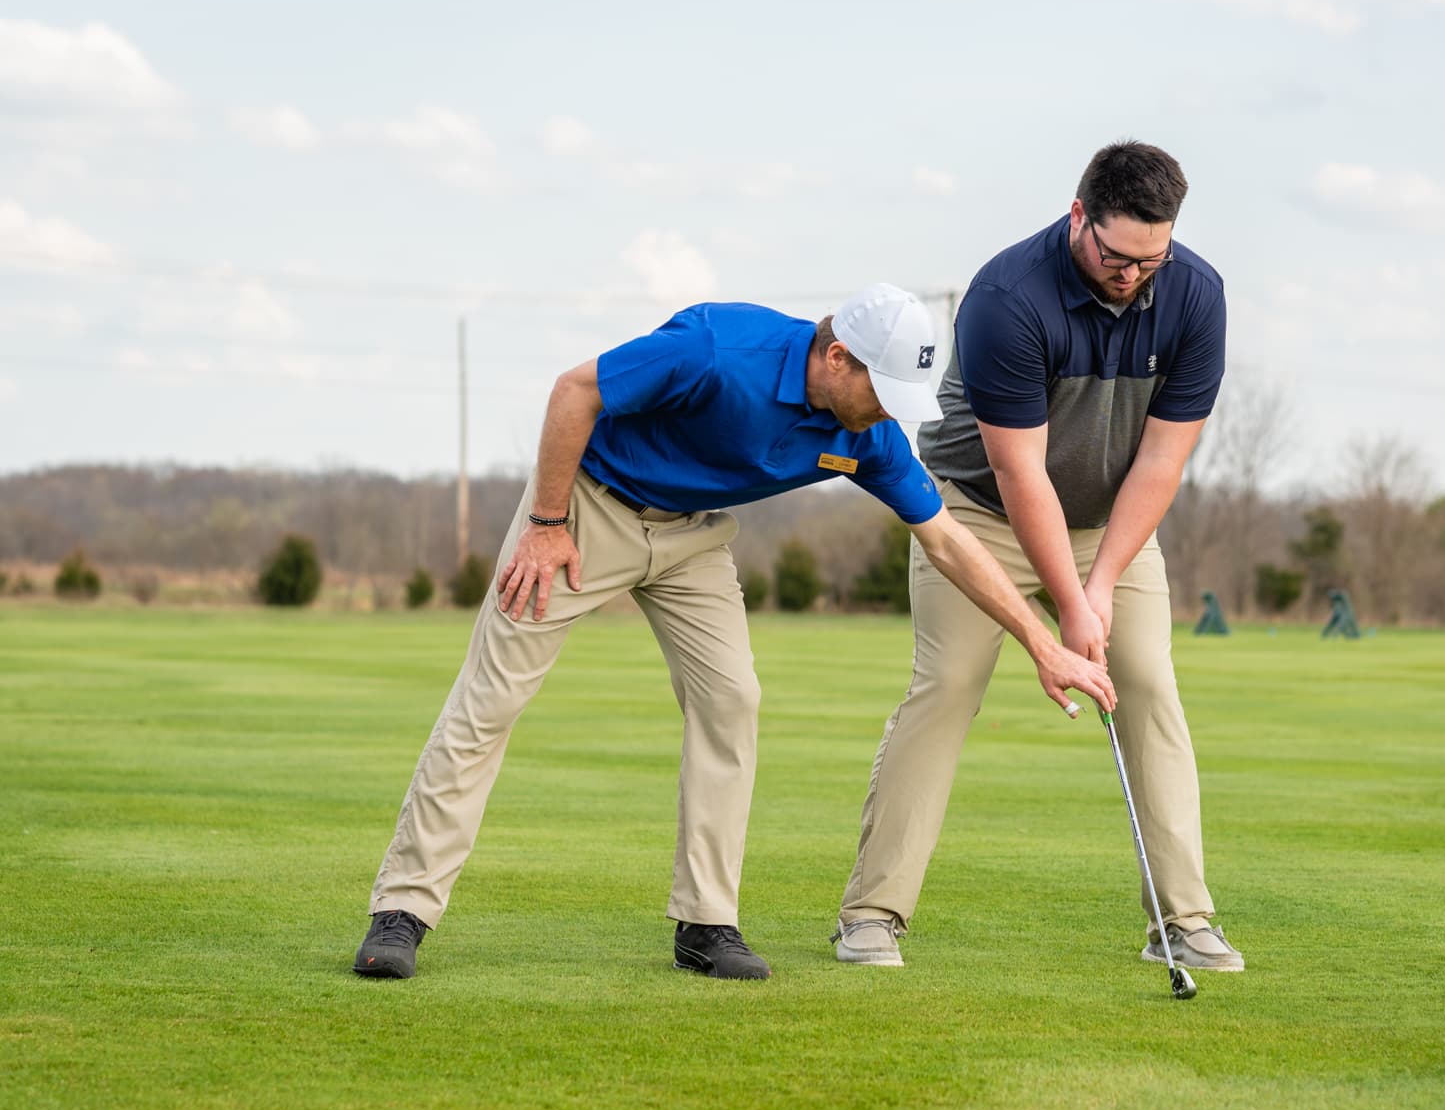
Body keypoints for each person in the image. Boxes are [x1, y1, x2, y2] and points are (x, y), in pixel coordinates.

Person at [352, 283, 1115, 982]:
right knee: (491, 702)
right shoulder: (720, 350)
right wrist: (547, 522)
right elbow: (575, 391)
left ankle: (706, 922)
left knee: (732, 701)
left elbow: (946, 539)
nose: (888, 412)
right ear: (838, 357)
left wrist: (1041, 644)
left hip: (692, 541)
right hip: (587, 508)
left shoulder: (870, 435)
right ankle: (403, 911)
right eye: (882, 391)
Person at [834, 142, 1244, 973]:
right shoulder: (1006, 298)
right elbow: (1021, 476)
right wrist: (1068, 608)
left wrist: (1096, 587)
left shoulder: (1197, 295)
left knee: (1149, 687)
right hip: (977, 513)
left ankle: (1183, 922)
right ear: (1078, 218)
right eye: (1116, 255)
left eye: (1151, 260)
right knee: (946, 687)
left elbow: (1161, 463)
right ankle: (871, 914)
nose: (1132, 275)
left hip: (1110, 530)